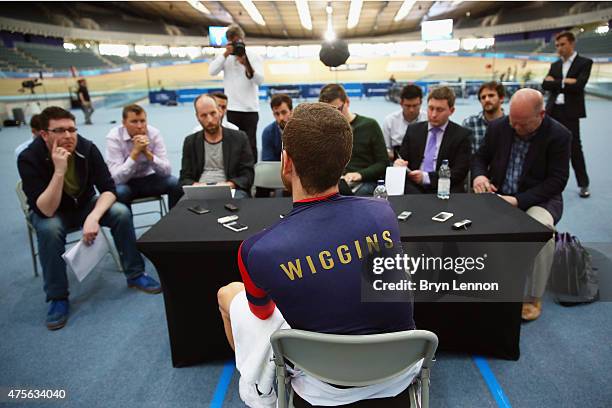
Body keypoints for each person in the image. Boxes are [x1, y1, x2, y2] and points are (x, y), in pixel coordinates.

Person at [217, 102, 415, 406]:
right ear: (344, 162)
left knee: (228, 294)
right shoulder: (382, 212)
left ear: (287, 163)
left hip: (324, 388)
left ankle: (260, 391)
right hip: (398, 373)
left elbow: (263, 315)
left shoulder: (256, 250)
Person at [17, 107, 161, 330]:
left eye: (72, 129)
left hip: (84, 206)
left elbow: (109, 189)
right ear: (44, 134)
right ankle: (57, 297)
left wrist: (93, 217)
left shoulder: (86, 147)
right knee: (49, 229)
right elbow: (45, 209)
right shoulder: (29, 158)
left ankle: (135, 273)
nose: (68, 136)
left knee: (120, 212)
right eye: (60, 130)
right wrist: (59, 171)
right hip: (51, 210)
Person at [471, 88, 571, 321]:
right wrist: (479, 177)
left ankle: (532, 296)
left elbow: (557, 181)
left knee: (542, 231)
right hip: (500, 195)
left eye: (522, 124)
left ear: (541, 115)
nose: (515, 128)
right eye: (513, 122)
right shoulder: (499, 127)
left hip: (540, 199)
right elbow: (479, 158)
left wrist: (518, 201)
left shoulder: (560, 135)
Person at [542, 31, 593, 198]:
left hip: (570, 112)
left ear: (572, 43)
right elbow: (545, 85)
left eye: (562, 44)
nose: (559, 48)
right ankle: (545, 182)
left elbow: (579, 86)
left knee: (574, 148)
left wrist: (556, 82)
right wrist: (565, 82)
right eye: (557, 45)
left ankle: (583, 183)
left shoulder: (585, 62)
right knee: (546, 145)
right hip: (552, 110)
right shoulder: (556, 65)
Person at [393, 86, 471, 194]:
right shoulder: (413, 130)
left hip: (445, 187)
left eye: (439, 110)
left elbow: (459, 172)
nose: (433, 114)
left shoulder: (461, 135)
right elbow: (403, 158)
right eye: (431, 108)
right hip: (414, 187)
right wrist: (398, 164)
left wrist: (426, 177)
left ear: (451, 111)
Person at [105, 104, 182, 209]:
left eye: (142, 121)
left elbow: (166, 171)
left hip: (149, 179)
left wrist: (146, 152)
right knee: (119, 193)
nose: (140, 126)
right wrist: (135, 153)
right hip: (127, 183)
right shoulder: (114, 138)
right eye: (134, 121)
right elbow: (116, 179)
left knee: (176, 184)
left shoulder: (154, 134)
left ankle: (173, 222)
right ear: (124, 123)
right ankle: (128, 225)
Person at [179, 95, 254, 198]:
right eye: (204, 115)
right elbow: (184, 178)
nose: (209, 120)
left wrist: (229, 184)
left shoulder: (239, 138)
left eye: (213, 113)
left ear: (220, 111)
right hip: (199, 190)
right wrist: (196, 186)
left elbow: (248, 175)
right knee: (181, 210)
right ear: (197, 117)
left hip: (232, 190)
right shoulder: (190, 142)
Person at [319, 84, 388, 196]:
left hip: (365, 182)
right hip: (337, 183)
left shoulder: (370, 125)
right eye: (329, 112)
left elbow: (383, 163)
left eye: (339, 109)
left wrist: (360, 174)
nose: (335, 115)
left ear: (348, 102)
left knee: (357, 195)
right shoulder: (324, 131)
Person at [209, 24, 264, 162]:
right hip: (232, 108)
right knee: (234, 145)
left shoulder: (253, 56)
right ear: (228, 42)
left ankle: (253, 174)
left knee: (251, 145)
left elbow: (259, 80)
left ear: (243, 40)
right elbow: (212, 71)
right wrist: (225, 53)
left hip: (250, 109)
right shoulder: (224, 57)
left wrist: (246, 64)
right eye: (232, 42)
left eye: (238, 41)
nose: (236, 45)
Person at [382, 84, 427, 160]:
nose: (411, 110)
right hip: (397, 161)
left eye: (415, 105)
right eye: (408, 106)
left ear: (421, 103)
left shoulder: (428, 119)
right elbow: (386, 148)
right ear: (401, 104)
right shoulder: (389, 121)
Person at [462, 81, 506, 153]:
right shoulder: (469, 124)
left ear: (501, 98)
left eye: (491, 95)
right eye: (483, 97)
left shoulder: (511, 124)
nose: (487, 100)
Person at [261, 93, 292, 161]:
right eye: (276, 114)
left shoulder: (301, 131)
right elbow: (267, 163)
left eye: (284, 112)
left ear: (291, 111)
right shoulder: (268, 133)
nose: (281, 118)